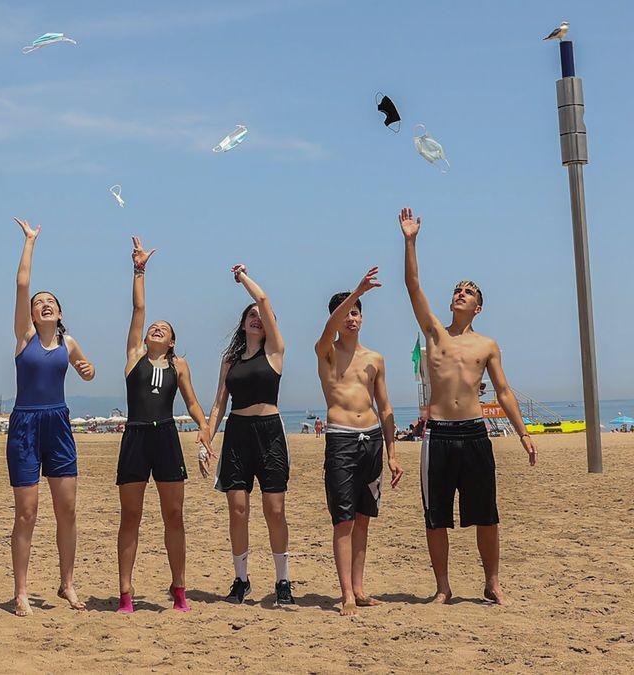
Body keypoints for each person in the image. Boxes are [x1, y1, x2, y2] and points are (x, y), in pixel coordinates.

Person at [399, 206, 536, 605]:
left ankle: (492, 583)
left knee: (486, 515)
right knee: (436, 516)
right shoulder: (435, 334)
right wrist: (410, 241)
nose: (460, 293)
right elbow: (412, 286)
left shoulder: (486, 345)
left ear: (478, 307)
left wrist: (524, 433)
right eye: (457, 289)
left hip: (475, 434)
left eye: (469, 292)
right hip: (439, 434)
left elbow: (505, 391)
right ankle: (443, 586)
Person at [116, 237, 213, 613]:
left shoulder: (179, 366)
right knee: (131, 516)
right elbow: (138, 307)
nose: (155, 328)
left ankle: (179, 589)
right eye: (152, 327)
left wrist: (205, 430)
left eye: (164, 328)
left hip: (167, 437)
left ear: (172, 342)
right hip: (136, 436)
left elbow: (191, 403)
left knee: (174, 515)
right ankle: (126, 594)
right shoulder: (134, 356)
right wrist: (139, 269)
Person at [9, 218, 95, 617]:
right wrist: (30, 242)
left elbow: (83, 365)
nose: (43, 303)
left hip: (58, 424)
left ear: (59, 313)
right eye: (38, 302)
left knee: (67, 510)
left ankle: (67, 584)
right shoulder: (24, 337)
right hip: (25, 425)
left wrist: (87, 369)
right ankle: (22, 590)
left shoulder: (68, 341)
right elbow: (23, 283)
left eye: (50, 302)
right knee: (27, 512)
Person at [315, 267, 404, 616]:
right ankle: (346, 594)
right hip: (341, 440)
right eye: (345, 312)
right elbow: (328, 328)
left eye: (356, 312)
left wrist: (393, 454)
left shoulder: (375, 359)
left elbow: (385, 407)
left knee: (364, 519)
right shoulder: (326, 351)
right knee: (344, 520)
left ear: (363, 319)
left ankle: (360, 588)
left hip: (372, 442)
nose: (351, 317)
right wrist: (357, 292)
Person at [204, 264, 293, 607]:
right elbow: (217, 404)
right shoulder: (230, 360)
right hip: (237, 435)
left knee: (275, 509)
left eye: (260, 315)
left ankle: (283, 580)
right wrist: (207, 438)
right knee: (238, 510)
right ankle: (241, 579)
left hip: (269, 434)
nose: (256, 317)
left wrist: (242, 277)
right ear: (242, 323)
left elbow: (264, 298)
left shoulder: (275, 352)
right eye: (250, 315)